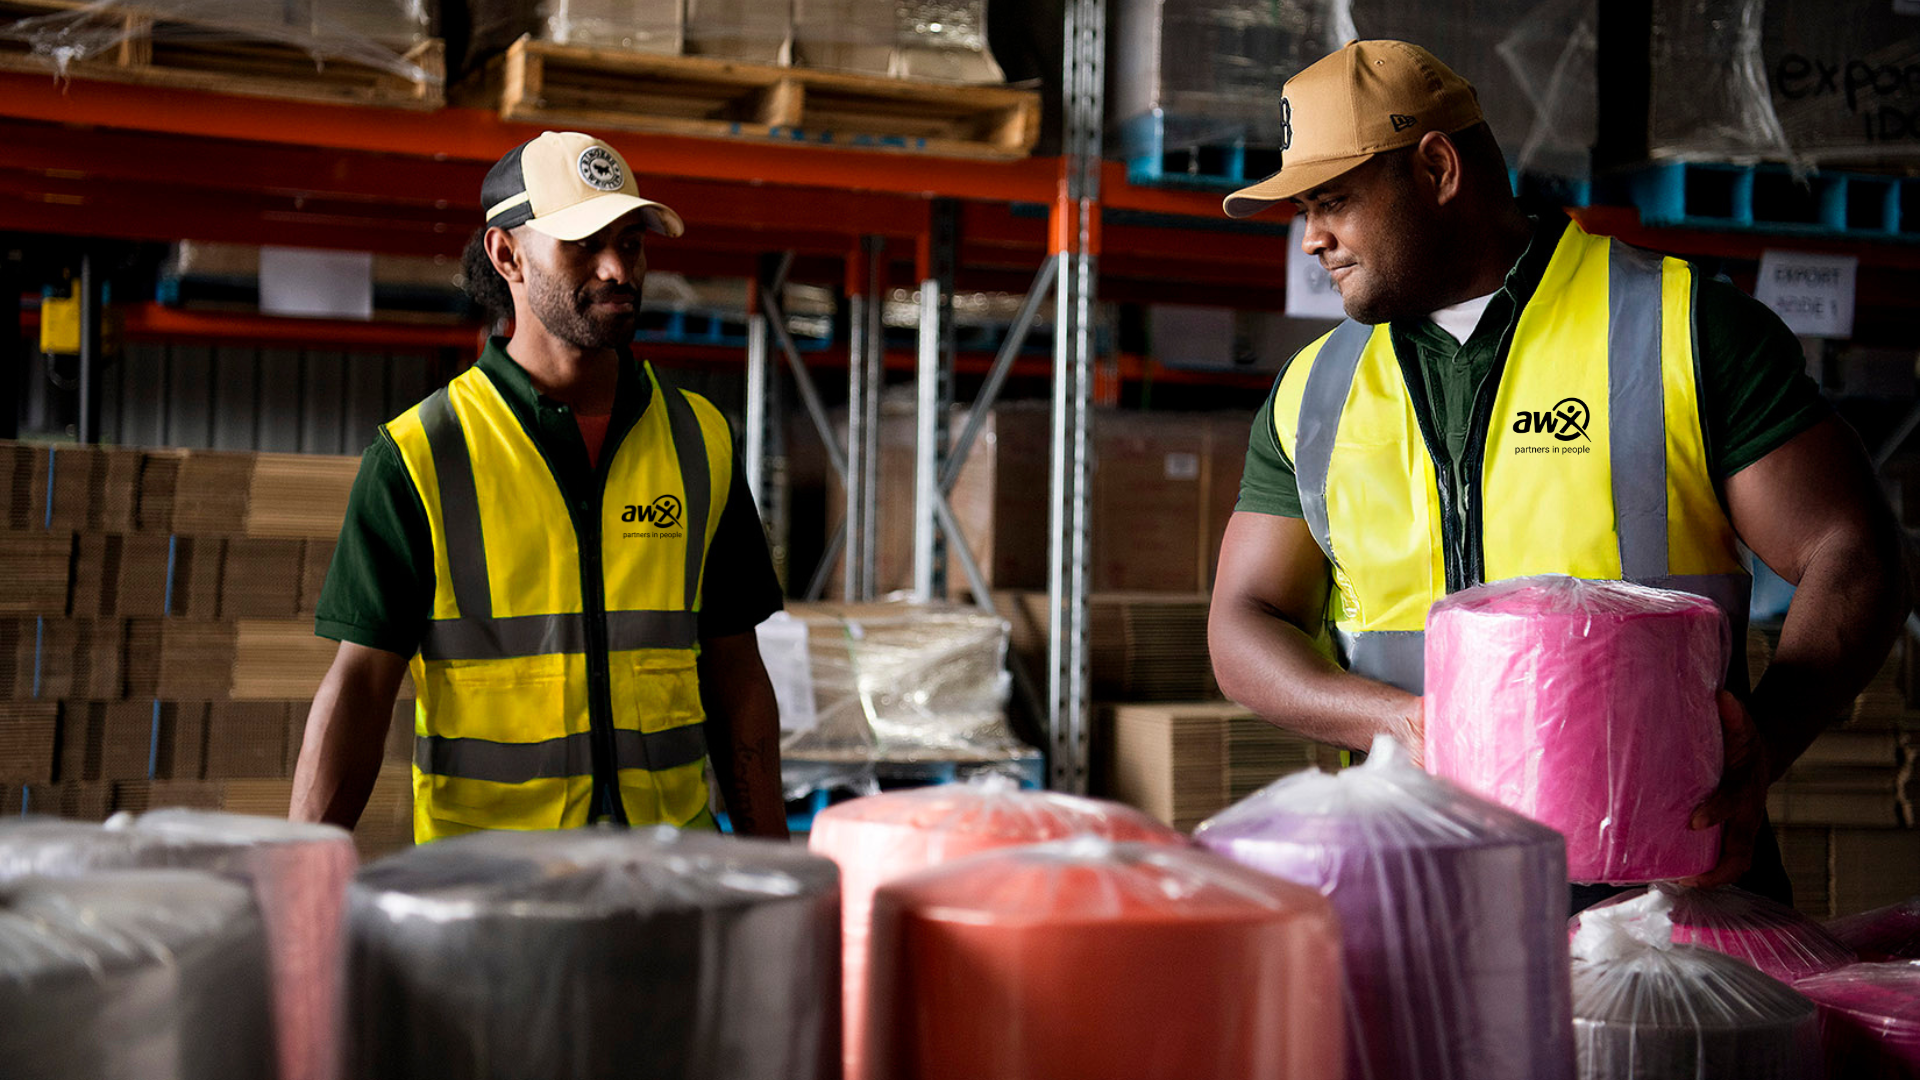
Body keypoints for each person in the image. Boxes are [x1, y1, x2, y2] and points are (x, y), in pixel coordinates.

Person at [1208, 41, 1909, 906]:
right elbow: (1244, 620)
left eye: (1335, 201)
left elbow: (1853, 552)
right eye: (1303, 210)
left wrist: (1765, 745)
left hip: (1660, 895)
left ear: (1435, 167)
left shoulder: (1682, 328)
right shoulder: (1314, 390)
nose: (1312, 237)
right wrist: (1395, 720)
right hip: (1422, 894)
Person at [291, 131, 790, 841]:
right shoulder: (421, 454)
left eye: (631, 242)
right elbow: (360, 688)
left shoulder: (697, 439)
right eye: (584, 243)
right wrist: (298, 884)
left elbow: (737, 673)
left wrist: (773, 866)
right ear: (507, 255)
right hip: (494, 896)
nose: (619, 268)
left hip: (673, 879)